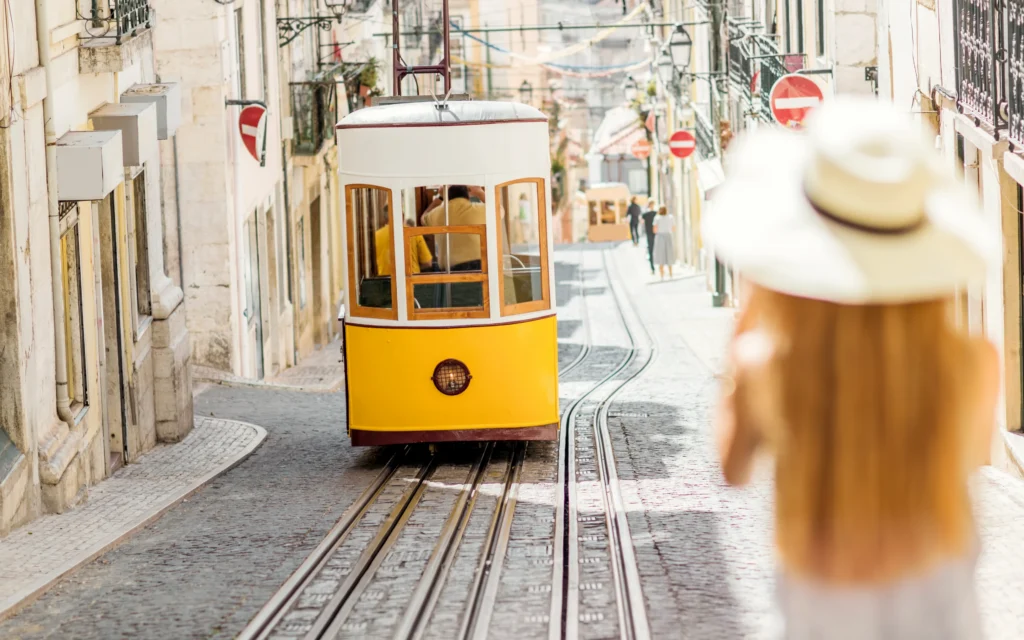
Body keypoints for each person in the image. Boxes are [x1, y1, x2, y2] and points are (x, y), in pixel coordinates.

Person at [707, 98, 997, 638]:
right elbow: (968, 456)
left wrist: (753, 311)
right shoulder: (974, 362)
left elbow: (732, 469)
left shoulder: (766, 365)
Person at [422, 185, 487, 271]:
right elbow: (499, 210)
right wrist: (480, 192)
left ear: (448, 197)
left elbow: (423, 219)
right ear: (467, 196)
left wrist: (441, 197)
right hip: (478, 265)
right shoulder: (479, 209)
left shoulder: (437, 213)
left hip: (450, 267)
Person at [374, 205, 433, 276]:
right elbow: (428, 263)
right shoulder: (413, 233)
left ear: (384, 218)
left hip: (384, 281)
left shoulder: (376, 236)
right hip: (410, 280)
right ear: (402, 216)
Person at [652, 206, 675, 279]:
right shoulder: (670, 217)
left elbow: (654, 229)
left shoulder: (657, 218)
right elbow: (673, 228)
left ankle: (662, 275)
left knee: (660, 255)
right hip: (668, 236)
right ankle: (671, 274)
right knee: (669, 254)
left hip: (660, 237)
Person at [641, 198, 657, 274]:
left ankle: (653, 267)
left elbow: (641, 221)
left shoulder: (647, 214)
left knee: (652, 249)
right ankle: (653, 267)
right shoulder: (653, 213)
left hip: (653, 233)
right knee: (652, 249)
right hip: (652, 234)